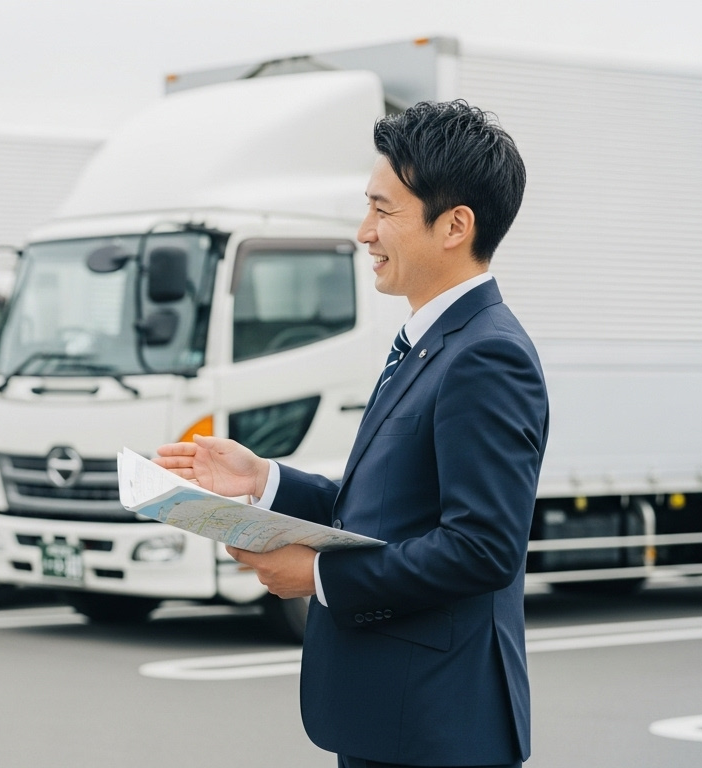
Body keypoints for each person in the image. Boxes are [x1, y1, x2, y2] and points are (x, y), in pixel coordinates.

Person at [155, 101, 545, 768]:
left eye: (383, 210)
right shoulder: (432, 341)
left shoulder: (485, 355)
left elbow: (482, 549)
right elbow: (388, 507)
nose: (364, 233)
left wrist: (317, 573)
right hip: (398, 713)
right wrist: (263, 478)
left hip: (437, 724)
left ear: (455, 226)